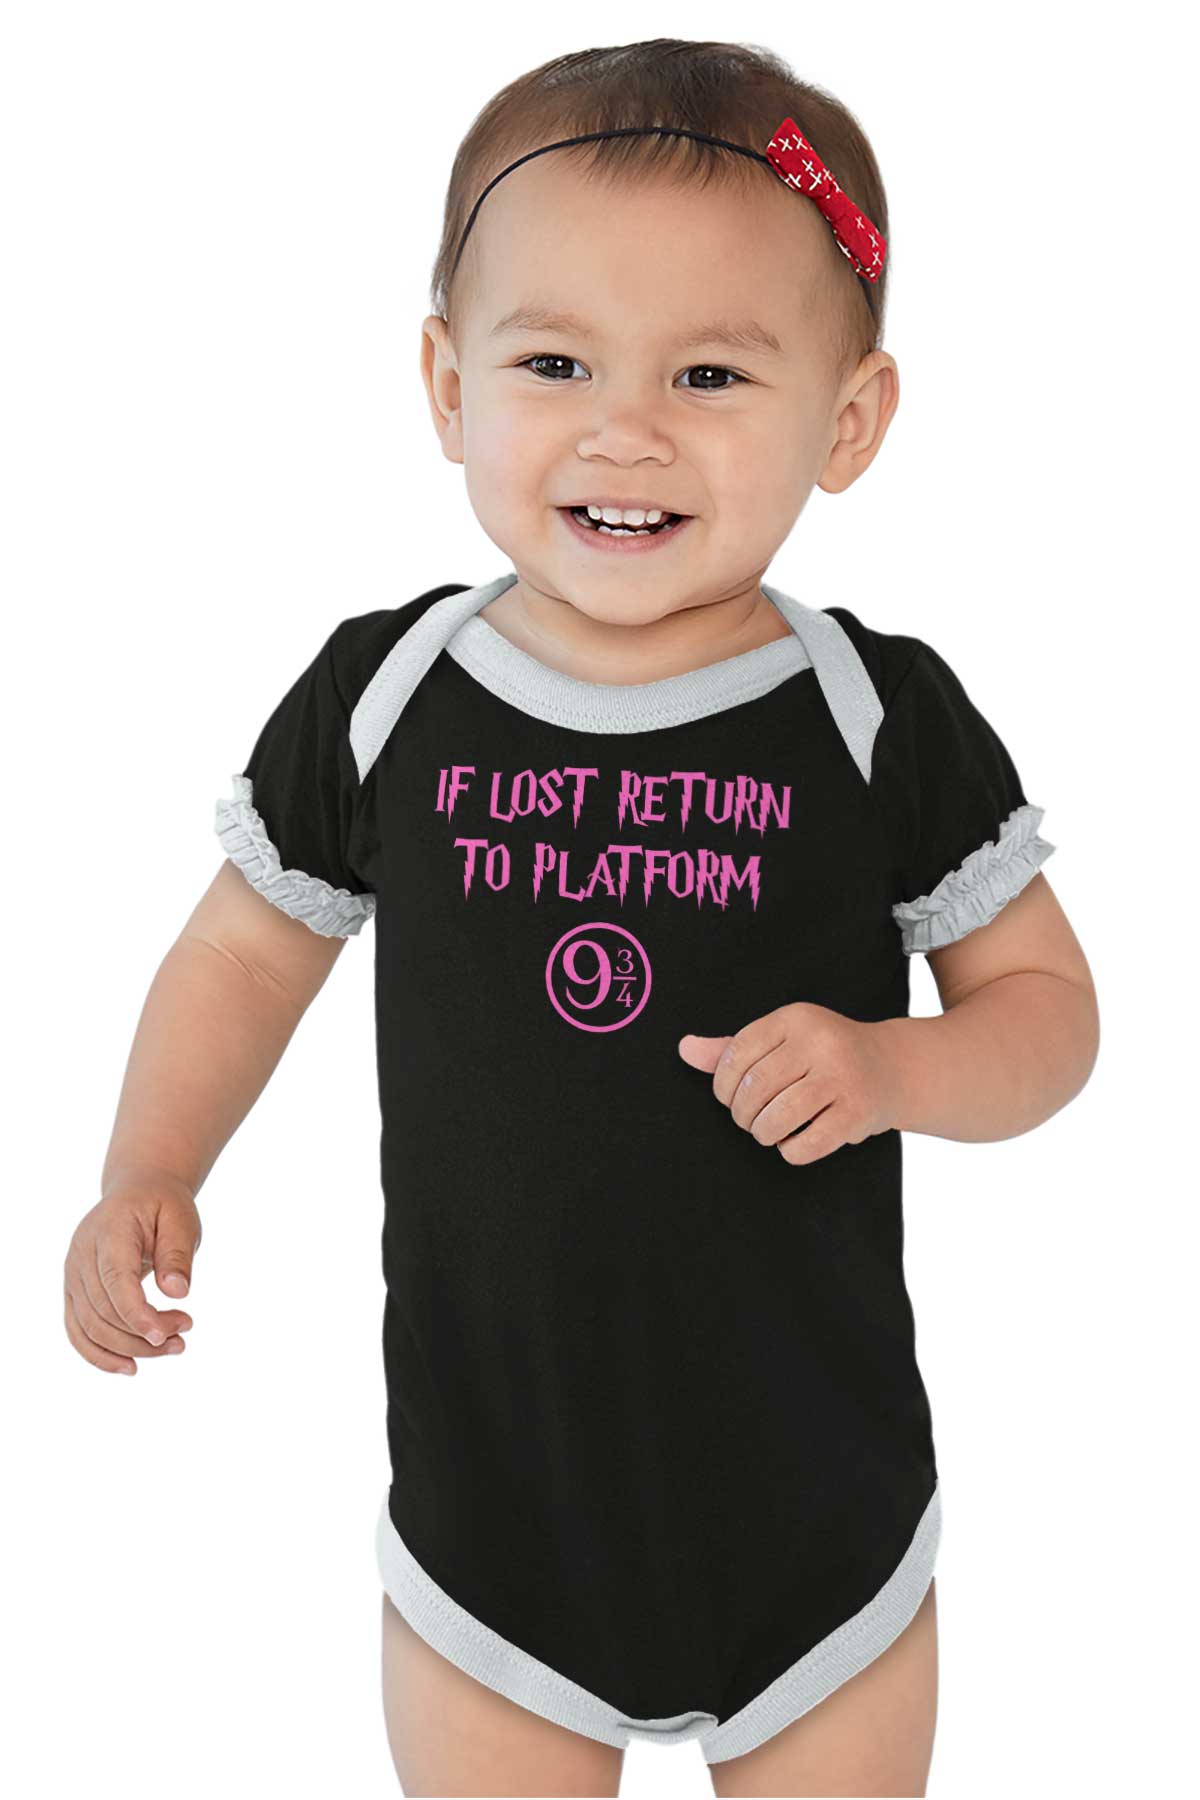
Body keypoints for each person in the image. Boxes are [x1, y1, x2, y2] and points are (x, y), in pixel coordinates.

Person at [63, 38, 1100, 1800]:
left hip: (818, 1516)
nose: (627, 430)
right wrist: (147, 1163)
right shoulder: (388, 695)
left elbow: (1051, 1016)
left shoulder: (874, 719)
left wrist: (896, 1068)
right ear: (446, 384)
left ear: (848, 420)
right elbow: (242, 950)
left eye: (710, 372)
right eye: (554, 363)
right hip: (493, 1524)